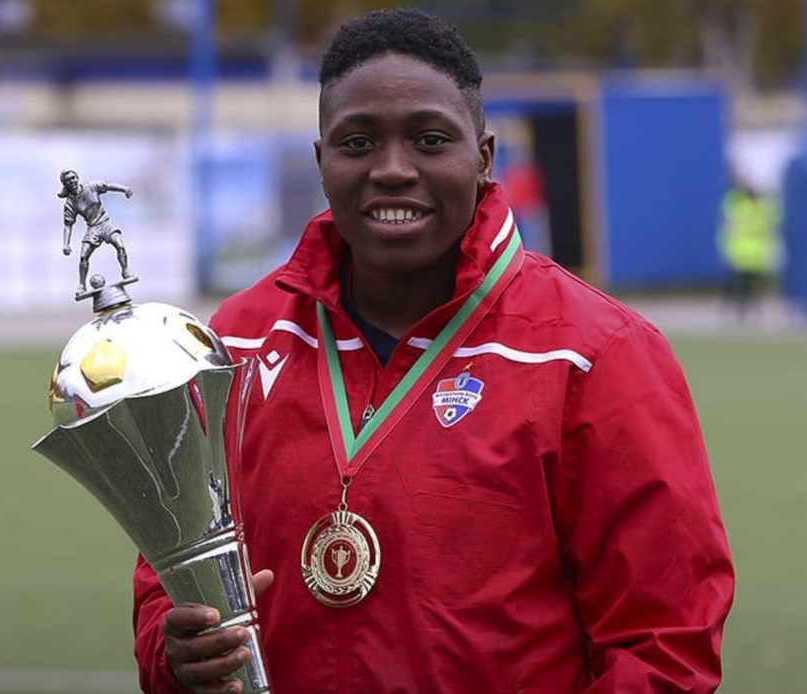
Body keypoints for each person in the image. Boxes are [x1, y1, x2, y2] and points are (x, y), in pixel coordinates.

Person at [134, 9, 734, 693]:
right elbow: (167, 574)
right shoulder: (237, 340)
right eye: (357, 143)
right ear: (321, 160)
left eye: (428, 139)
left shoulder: (597, 356)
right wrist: (174, 651)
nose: (393, 170)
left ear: (482, 156)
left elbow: (663, 642)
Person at [57, 169, 134, 295]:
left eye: (73, 178)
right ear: (65, 184)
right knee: (83, 257)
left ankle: (126, 271)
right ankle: (82, 285)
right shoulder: (70, 203)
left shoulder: (92, 187)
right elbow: (68, 225)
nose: (72, 181)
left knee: (120, 245)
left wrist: (125, 189)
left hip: (105, 223)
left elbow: (109, 186)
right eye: (68, 180)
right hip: (93, 228)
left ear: (77, 177)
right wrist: (66, 244)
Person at [718, 179, 780, 322]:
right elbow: (775, 219)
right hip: (755, 254)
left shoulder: (739, 207)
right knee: (751, 287)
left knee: (738, 286)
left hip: (740, 253)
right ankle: (752, 312)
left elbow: (728, 208)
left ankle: (739, 311)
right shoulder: (762, 209)